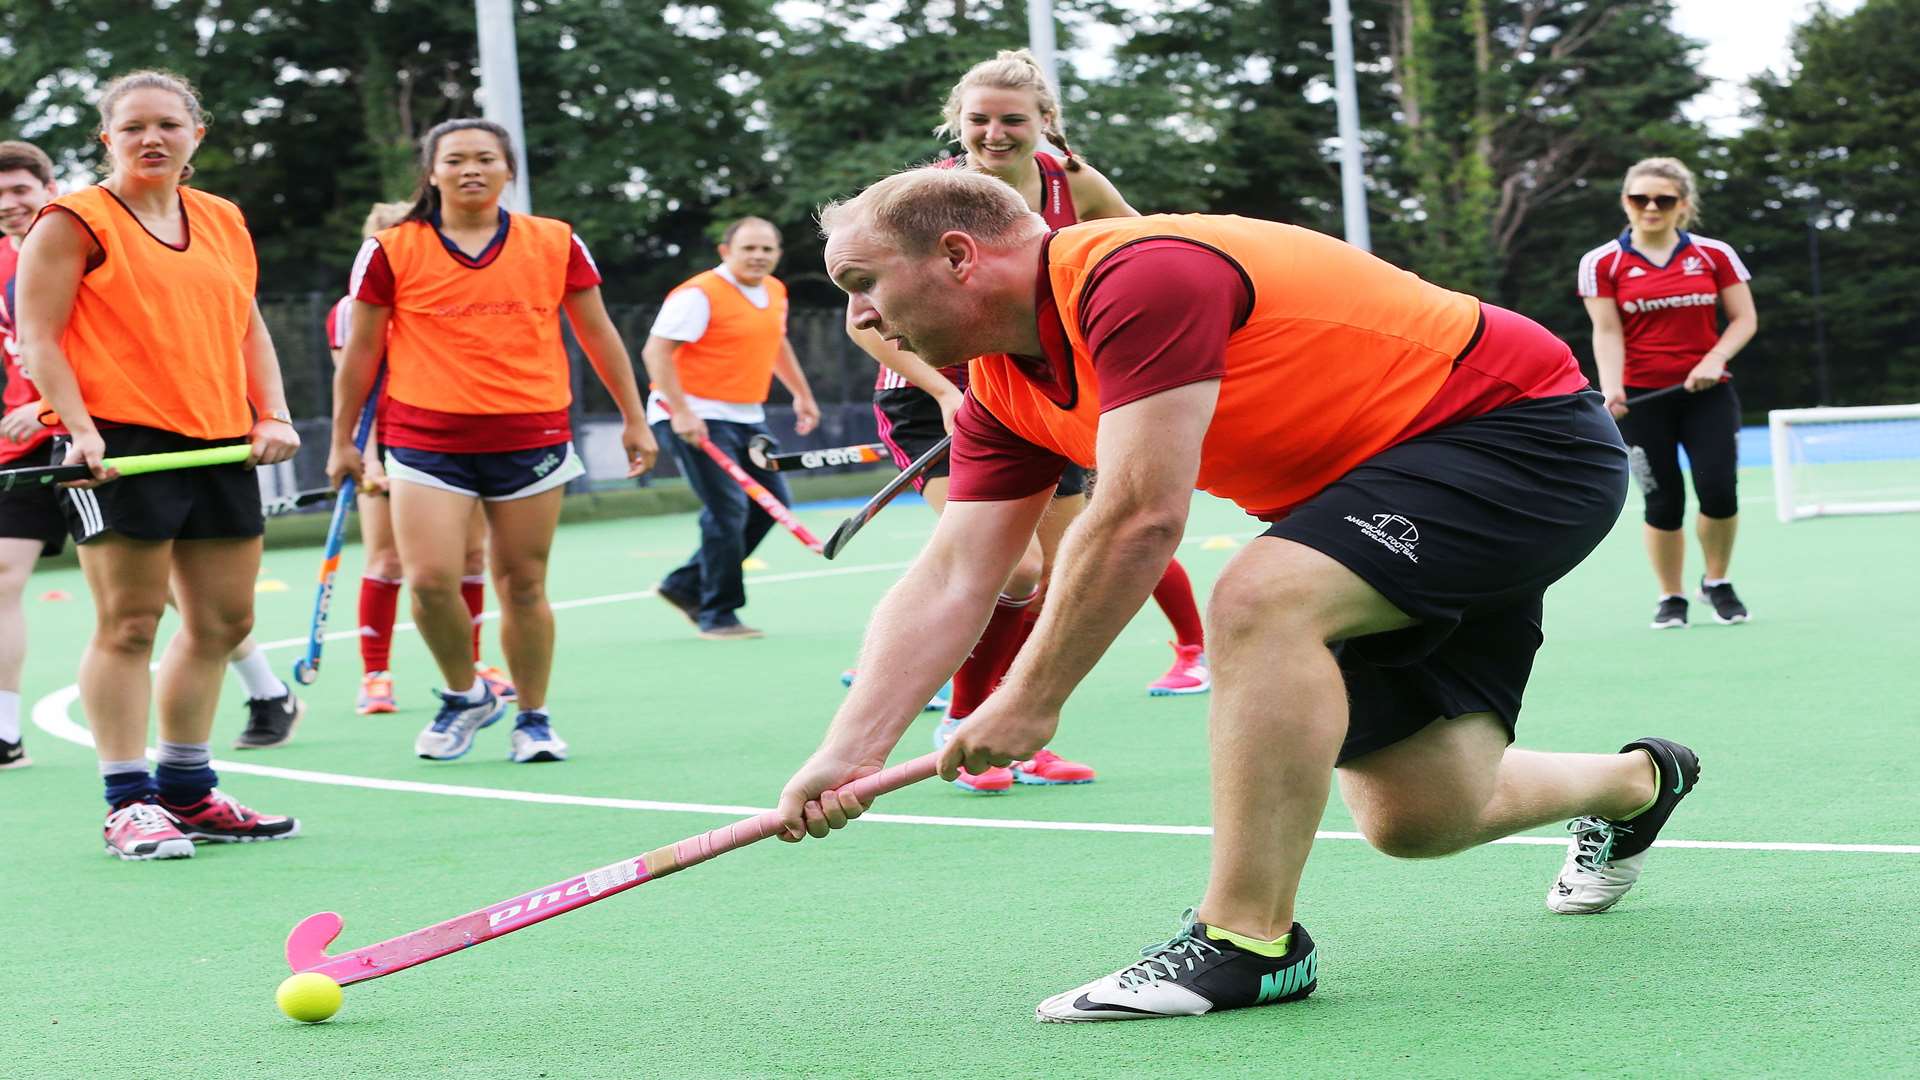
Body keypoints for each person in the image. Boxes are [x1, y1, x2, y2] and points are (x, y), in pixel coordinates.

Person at [776, 168, 1703, 1020]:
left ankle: (1246, 940)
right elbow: (953, 574)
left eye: (863, 281)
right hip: (1364, 504)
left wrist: (1032, 698)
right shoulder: (1002, 391)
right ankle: (1640, 781)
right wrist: (848, 751)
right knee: (1422, 819)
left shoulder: (1135, 277)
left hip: (1516, 439)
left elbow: (1140, 514)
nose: (860, 317)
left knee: (1260, 595)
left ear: (957, 255)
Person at [850, 50, 1207, 793]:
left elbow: (1151, 251)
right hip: (934, 396)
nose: (994, 133)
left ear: (1047, 122)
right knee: (1011, 568)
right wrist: (947, 394)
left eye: (1013, 119)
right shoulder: (925, 197)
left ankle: (1011, 736)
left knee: (1062, 565)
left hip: (1038, 389)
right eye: (978, 119)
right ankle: (962, 718)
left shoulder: (1070, 183)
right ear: (957, 122)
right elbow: (863, 322)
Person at [15, 70, 303, 858]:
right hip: (119, 446)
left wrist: (271, 413)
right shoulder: (72, 220)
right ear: (107, 137)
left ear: (195, 136)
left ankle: (188, 791)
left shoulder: (221, 219)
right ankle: (126, 801)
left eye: (168, 125)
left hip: (218, 440)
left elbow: (247, 327)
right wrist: (79, 430)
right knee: (131, 623)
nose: (152, 138)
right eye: (133, 126)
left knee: (222, 622)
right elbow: (40, 337)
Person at [328, 118, 654, 765]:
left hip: (530, 437)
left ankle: (532, 717)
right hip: (424, 439)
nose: (470, 169)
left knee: (523, 585)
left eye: (485, 158)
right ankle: (464, 694)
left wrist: (634, 416)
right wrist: (343, 440)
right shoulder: (391, 248)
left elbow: (597, 333)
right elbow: (361, 351)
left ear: (509, 171)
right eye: (455, 160)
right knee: (427, 581)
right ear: (432, 172)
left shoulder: (554, 241)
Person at [324, 201, 516, 716]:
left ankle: (473, 666)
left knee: (472, 559)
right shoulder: (351, 309)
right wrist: (368, 459)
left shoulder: (449, 294)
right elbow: (353, 384)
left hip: (447, 440)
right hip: (384, 444)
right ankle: (375, 674)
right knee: (387, 560)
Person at [1579, 157, 1757, 629]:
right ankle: (1671, 595)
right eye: (1640, 199)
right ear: (1626, 202)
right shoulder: (1601, 263)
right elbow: (1608, 331)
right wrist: (1612, 388)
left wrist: (1715, 359)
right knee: (1663, 502)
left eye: (1664, 199)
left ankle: (1716, 583)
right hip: (1642, 401)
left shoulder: (1714, 255)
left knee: (1719, 490)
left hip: (1708, 394)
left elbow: (1744, 319)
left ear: (1683, 205)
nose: (1651, 207)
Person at [641, 216, 821, 640]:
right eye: (749, 249)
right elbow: (656, 352)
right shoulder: (699, 294)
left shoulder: (774, 291)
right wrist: (682, 412)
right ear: (726, 252)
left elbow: (776, 342)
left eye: (767, 249)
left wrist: (802, 393)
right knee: (727, 510)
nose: (759, 257)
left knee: (771, 503)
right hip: (693, 415)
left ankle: (684, 585)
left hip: (746, 416)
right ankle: (717, 613)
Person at [0, 140, 64, 770]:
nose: (9, 205)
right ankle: (4, 732)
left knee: (153, 589)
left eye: (20, 189)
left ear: (48, 187)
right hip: (26, 442)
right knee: (2, 574)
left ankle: (264, 689)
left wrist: (48, 407)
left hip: (97, 432)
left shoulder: (82, 244)